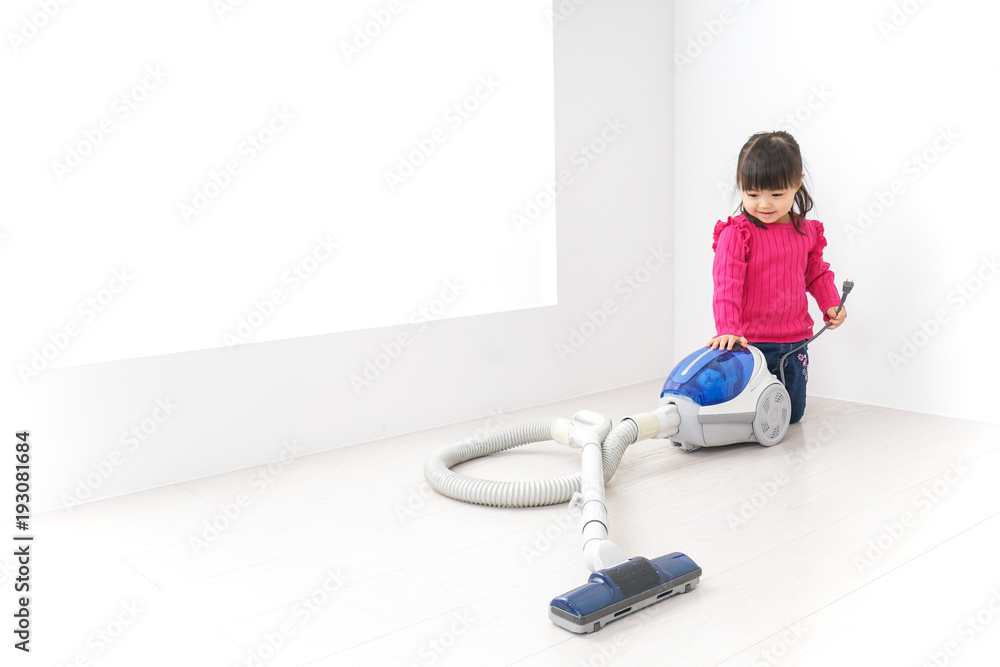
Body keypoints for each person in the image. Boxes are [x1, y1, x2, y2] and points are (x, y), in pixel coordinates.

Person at [706, 131, 846, 424]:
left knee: (792, 415)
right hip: (748, 343)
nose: (764, 204)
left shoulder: (806, 231)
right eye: (752, 194)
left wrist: (831, 303)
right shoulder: (737, 233)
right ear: (740, 186)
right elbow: (727, 285)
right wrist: (728, 329)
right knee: (749, 412)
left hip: (794, 342)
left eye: (776, 194)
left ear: (797, 183)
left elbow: (816, 272)